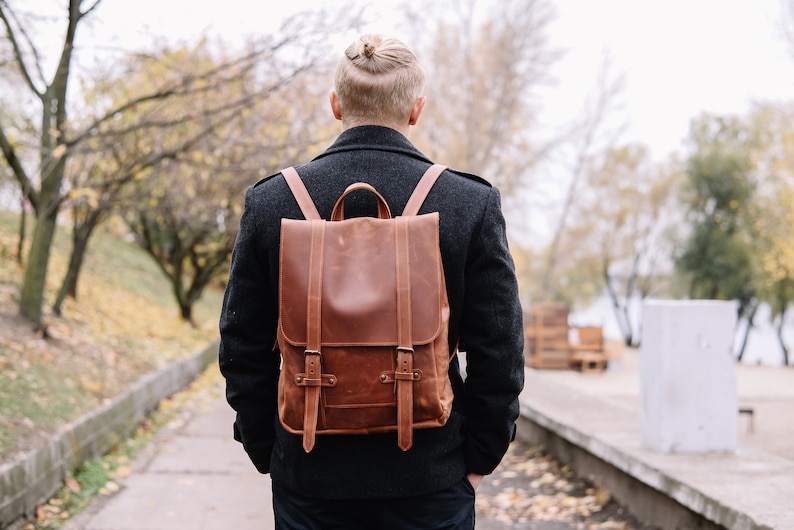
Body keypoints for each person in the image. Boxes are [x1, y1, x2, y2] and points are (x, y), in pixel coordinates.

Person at [219, 33, 525, 529]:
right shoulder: (469, 204)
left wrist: (271, 451)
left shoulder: (271, 203)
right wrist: (476, 462)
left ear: (336, 105)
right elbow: (500, 354)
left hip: (308, 478)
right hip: (431, 477)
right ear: (416, 109)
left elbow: (241, 347)